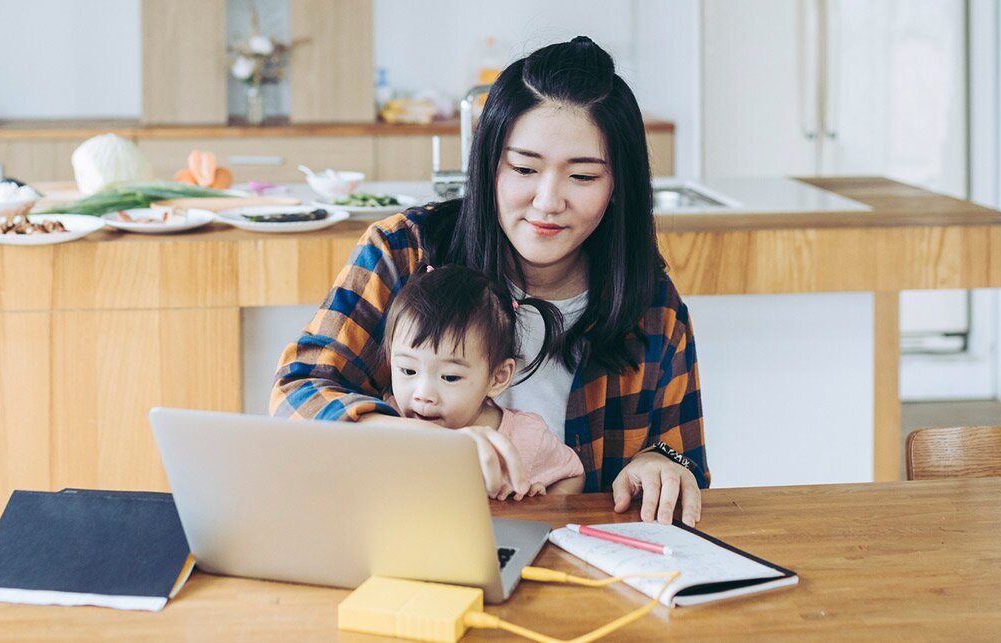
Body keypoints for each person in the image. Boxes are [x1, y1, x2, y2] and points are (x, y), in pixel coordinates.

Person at [271, 36, 708, 526]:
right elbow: (297, 394)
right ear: (488, 166)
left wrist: (661, 463)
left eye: (582, 177)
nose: (547, 201)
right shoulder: (403, 252)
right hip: (405, 537)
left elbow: (680, 452)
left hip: (577, 567)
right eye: (523, 168)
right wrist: (429, 441)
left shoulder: (650, 302)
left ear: (617, 187)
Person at [381, 265, 584, 498]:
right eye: (408, 370)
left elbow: (573, 474)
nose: (423, 393)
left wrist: (542, 504)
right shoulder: (387, 419)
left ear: (497, 378)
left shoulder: (525, 437)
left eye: (449, 377)